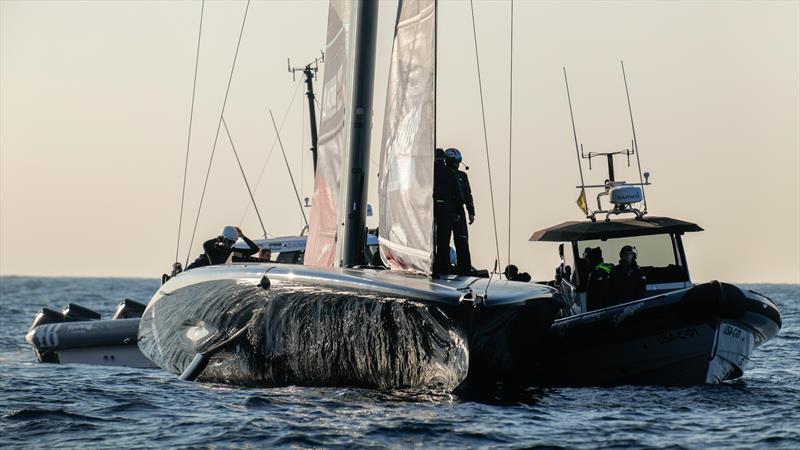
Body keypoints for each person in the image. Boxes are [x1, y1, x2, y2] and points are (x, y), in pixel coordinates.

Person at [432, 148, 464, 276]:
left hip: (431, 211)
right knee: (443, 241)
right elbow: (459, 194)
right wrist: (457, 212)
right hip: (447, 211)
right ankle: (443, 267)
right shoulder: (450, 172)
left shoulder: (428, 171)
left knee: (430, 239)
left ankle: (431, 265)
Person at [446, 148, 475, 276]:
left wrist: (471, 211)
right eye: (456, 161)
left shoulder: (463, 176)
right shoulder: (442, 173)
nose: (457, 164)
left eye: (459, 161)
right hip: (445, 210)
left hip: (459, 210)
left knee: (462, 240)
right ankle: (444, 264)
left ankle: (465, 268)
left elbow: (468, 194)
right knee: (442, 240)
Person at [185, 226, 259, 270]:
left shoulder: (232, 252)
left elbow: (255, 249)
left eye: (233, 242)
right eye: (230, 241)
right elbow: (206, 244)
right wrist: (218, 239)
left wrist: (242, 236)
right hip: (194, 271)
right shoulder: (213, 249)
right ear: (224, 239)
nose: (231, 244)